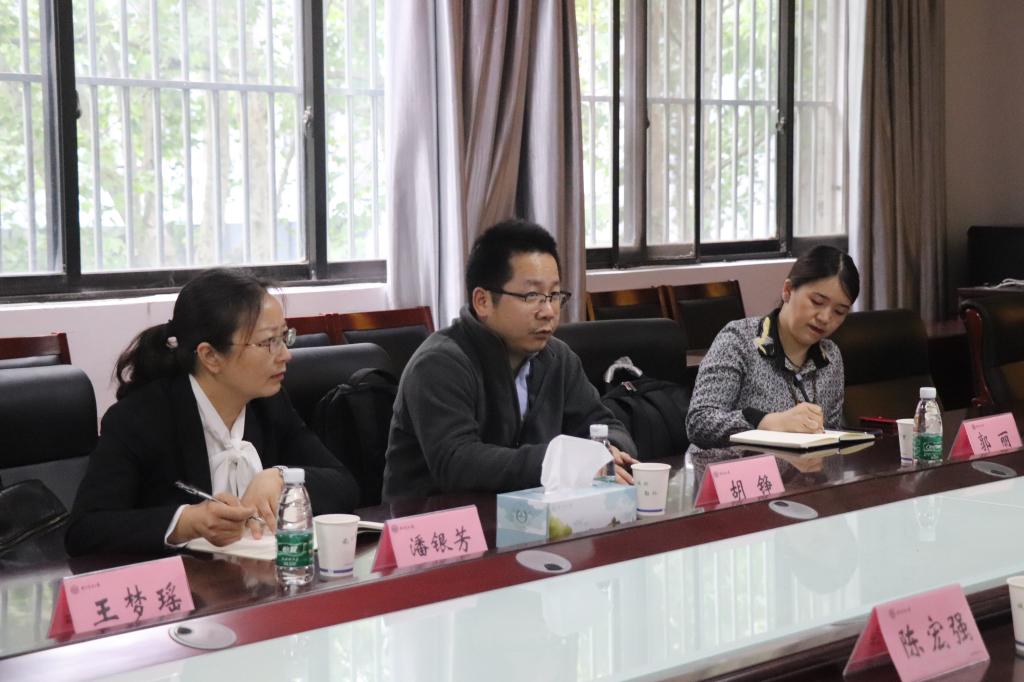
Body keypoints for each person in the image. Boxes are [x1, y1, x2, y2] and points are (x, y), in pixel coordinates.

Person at [65, 269, 360, 556]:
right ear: (210, 356)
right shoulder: (140, 418)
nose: (286, 354)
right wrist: (185, 522)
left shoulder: (269, 404)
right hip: (186, 584)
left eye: (285, 337)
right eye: (268, 342)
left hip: (256, 577)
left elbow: (344, 485)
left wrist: (282, 478)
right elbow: (85, 529)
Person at [382, 219, 638, 500]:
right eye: (532, 295)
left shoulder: (558, 358)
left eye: (554, 295)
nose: (548, 311)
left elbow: (606, 425)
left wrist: (608, 449)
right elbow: (457, 461)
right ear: (483, 301)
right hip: (438, 520)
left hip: (529, 515)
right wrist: (560, 461)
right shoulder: (439, 363)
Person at [686, 245, 860, 449]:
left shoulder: (830, 356)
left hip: (803, 469)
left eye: (839, 312)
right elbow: (699, 422)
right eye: (817, 301)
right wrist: (765, 421)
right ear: (787, 291)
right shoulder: (739, 339)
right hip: (730, 468)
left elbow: (830, 435)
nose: (825, 318)